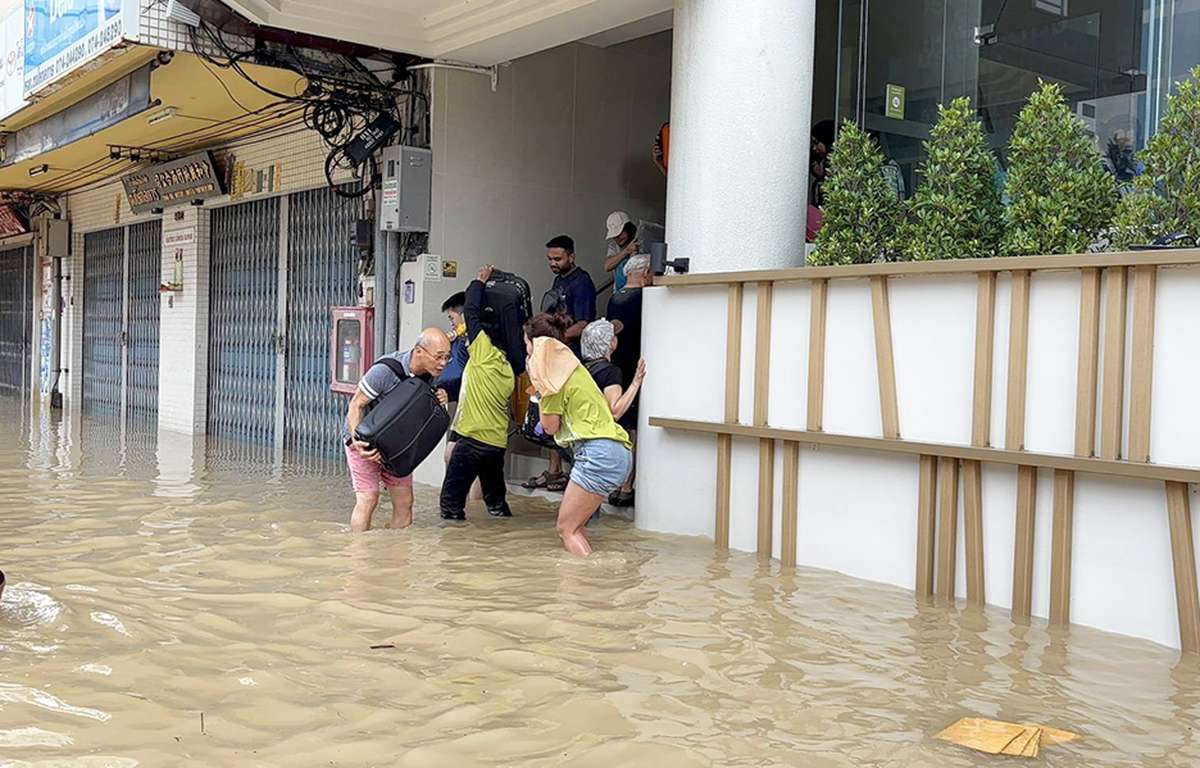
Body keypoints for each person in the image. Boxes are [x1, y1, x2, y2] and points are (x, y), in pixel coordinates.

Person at [524, 313, 635, 556]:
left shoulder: (551, 376)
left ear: (538, 345)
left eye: (527, 345)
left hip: (597, 453)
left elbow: (550, 427)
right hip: (616, 452)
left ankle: (585, 587)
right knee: (576, 527)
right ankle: (591, 579)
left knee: (566, 529)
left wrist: (539, 390)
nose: (527, 352)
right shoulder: (572, 367)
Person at [343, 328, 451, 532]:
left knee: (405, 502)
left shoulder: (431, 376)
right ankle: (357, 555)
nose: (443, 363)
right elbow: (356, 404)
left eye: (447, 357)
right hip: (364, 443)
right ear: (419, 351)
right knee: (368, 499)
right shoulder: (385, 371)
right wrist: (358, 442)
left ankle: (395, 556)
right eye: (438, 357)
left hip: (397, 447)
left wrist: (440, 398)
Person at [440, 264, 516, 521]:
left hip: (472, 442)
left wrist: (479, 281)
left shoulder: (484, 354)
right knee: (496, 505)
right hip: (495, 445)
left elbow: (471, 312)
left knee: (450, 507)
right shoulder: (507, 368)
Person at [525, 235, 596, 493]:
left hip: (571, 358)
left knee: (562, 414)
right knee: (549, 409)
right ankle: (554, 471)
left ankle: (571, 472)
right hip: (555, 356)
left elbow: (584, 322)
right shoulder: (558, 280)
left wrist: (558, 339)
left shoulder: (582, 282)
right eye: (550, 259)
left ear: (571, 256)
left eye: (558, 258)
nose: (553, 263)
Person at [581, 319, 646, 511]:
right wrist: (635, 383)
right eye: (614, 336)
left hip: (583, 439)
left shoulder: (584, 370)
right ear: (611, 343)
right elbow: (615, 412)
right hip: (599, 443)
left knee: (585, 508)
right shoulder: (611, 372)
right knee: (588, 512)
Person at [436, 291, 482, 503]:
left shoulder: (475, 342)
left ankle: (475, 511)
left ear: (464, 317)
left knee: (466, 460)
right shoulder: (457, 341)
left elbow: (470, 376)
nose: (451, 325)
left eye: (452, 319)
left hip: (475, 407)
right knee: (451, 455)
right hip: (460, 404)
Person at [603, 211, 640, 294]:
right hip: (619, 293)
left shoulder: (640, 241)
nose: (617, 239)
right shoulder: (613, 246)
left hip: (639, 292)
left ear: (628, 229)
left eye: (620, 234)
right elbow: (607, 266)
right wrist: (626, 251)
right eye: (614, 237)